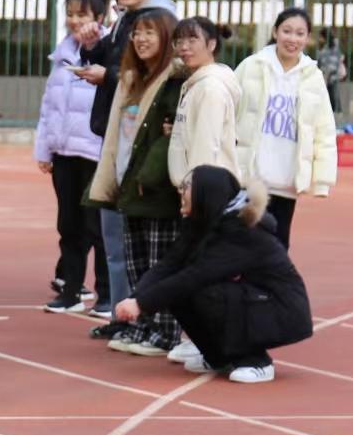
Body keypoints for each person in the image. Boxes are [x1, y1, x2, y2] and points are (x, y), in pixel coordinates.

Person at [118, 164, 313, 384]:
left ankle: (257, 361)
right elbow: (169, 265)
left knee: (204, 292)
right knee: (180, 294)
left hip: (281, 310)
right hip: (254, 300)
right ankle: (217, 357)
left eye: (187, 186)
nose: (181, 191)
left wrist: (141, 304)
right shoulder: (203, 221)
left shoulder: (241, 230)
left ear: (206, 193)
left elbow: (195, 276)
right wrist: (136, 298)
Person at [79, 0, 176, 340]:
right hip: (116, 139)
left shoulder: (162, 18)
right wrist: (91, 48)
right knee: (116, 242)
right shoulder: (124, 19)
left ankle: (148, 320)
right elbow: (119, 66)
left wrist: (109, 76)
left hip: (144, 148)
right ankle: (123, 316)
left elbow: (157, 72)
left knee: (145, 244)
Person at [34, 0, 110, 316]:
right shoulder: (62, 54)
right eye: (70, 14)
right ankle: (71, 291)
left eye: (82, 14)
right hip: (64, 153)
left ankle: (107, 295)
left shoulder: (109, 50)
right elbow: (48, 107)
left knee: (99, 227)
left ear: (100, 18)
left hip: (95, 153)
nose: (75, 20)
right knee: (69, 225)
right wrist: (44, 149)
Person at [234, 7, 338, 248]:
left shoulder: (312, 76)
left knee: (278, 247)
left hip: (286, 180)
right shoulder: (251, 66)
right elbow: (228, 110)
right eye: (287, 31)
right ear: (275, 32)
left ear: (308, 38)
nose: (292, 39)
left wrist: (321, 180)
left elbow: (324, 129)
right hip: (250, 178)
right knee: (242, 244)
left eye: (300, 33)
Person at [168, 15, 240, 187]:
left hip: (202, 189)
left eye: (192, 40)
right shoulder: (196, 83)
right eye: (179, 41)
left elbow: (206, 146)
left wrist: (194, 189)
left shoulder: (210, 89)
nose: (184, 47)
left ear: (211, 44)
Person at [317, 31, 347, 116]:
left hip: (332, 73)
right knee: (329, 92)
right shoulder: (325, 46)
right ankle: (334, 111)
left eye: (321, 37)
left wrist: (329, 70)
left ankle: (338, 111)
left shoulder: (333, 46)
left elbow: (335, 59)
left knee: (333, 92)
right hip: (326, 73)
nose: (320, 39)